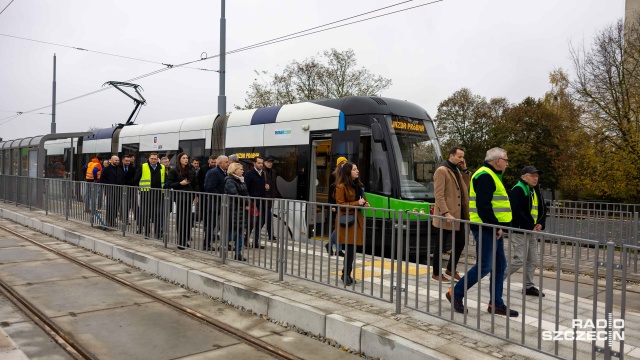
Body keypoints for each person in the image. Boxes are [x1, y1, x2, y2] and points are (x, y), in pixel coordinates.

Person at [447, 147, 518, 317]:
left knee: (499, 265)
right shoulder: (486, 175)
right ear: (497, 160)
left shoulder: (490, 174)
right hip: (487, 227)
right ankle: (455, 293)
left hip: (492, 228)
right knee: (485, 266)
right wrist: (495, 226)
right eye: (506, 160)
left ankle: (496, 304)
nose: (507, 163)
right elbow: (483, 206)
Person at [505, 166, 547, 297]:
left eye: (537, 176)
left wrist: (540, 223)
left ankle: (528, 286)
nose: (536, 178)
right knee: (520, 260)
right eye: (533, 176)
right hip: (520, 230)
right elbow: (517, 212)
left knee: (532, 260)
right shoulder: (518, 189)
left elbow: (542, 209)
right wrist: (530, 226)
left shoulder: (534, 190)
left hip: (531, 230)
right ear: (524, 177)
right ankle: (496, 279)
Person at [431, 146, 471, 283]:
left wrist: (465, 170)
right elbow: (439, 195)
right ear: (451, 156)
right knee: (440, 245)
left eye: (463, 157)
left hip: (458, 215)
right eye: (459, 157)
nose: (461, 159)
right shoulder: (442, 170)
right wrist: (446, 213)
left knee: (460, 242)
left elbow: (466, 187)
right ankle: (436, 273)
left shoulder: (456, 170)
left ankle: (450, 269)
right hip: (446, 215)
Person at [334, 162, 370, 285]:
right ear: (349, 172)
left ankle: (347, 273)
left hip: (357, 220)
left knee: (352, 249)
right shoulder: (341, 186)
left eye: (357, 169)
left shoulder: (358, 185)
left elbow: (362, 199)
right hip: (347, 221)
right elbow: (340, 204)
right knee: (350, 248)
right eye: (355, 169)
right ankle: (346, 274)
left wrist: (365, 203)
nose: (357, 171)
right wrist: (357, 203)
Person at [168, 152, 198, 250]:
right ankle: (180, 241)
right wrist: (180, 183)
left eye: (187, 158)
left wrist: (196, 194)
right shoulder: (174, 170)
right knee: (181, 219)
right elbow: (170, 184)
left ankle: (185, 239)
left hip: (189, 197)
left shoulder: (191, 169)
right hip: (180, 197)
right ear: (179, 159)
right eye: (184, 158)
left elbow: (195, 182)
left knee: (188, 219)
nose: (186, 160)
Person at [133, 152, 165, 239]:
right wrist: (139, 189)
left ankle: (157, 233)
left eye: (155, 159)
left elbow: (165, 180)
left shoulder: (162, 167)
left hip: (159, 195)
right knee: (146, 214)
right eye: (152, 158)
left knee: (158, 215)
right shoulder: (143, 166)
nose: (153, 160)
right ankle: (147, 232)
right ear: (149, 159)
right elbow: (136, 178)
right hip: (146, 194)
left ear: (157, 159)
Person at [204, 155, 230, 249]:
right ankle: (206, 243)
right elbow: (209, 187)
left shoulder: (226, 172)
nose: (228, 163)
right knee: (212, 224)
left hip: (222, 203)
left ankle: (225, 243)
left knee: (223, 224)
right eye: (226, 162)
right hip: (215, 202)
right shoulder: (214, 172)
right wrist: (222, 196)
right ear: (220, 163)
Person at [224, 162, 248, 261]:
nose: (243, 171)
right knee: (233, 233)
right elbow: (234, 195)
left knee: (240, 233)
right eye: (241, 169)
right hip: (233, 210)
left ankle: (238, 254)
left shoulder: (241, 180)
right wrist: (246, 202)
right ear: (234, 170)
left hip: (241, 210)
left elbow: (246, 193)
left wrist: (247, 202)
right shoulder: (230, 181)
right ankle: (223, 245)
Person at [326, 156, 348, 257]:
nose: (345, 164)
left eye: (346, 162)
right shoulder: (333, 175)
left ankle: (331, 245)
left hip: (342, 203)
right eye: (343, 163)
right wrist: (332, 205)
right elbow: (331, 192)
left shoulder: (346, 175)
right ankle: (337, 249)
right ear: (339, 164)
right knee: (339, 226)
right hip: (336, 203)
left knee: (340, 226)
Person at [244, 156, 266, 249]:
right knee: (252, 222)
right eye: (259, 163)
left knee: (261, 221)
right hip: (253, 201)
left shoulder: (263, 174)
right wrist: (247, 202)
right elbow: (246, 188)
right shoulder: (249, 174)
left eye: (262, 163)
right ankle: (246, 238)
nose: (261, 165)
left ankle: (255, 242)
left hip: (261, 201)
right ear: (254, 164)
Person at [101, 155, 124, 228]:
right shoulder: (106, 169)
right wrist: (107, 186)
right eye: (115, 160)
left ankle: (113, 220)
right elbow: (102, 179)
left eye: (118, 160)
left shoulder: (120, 169)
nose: (117, 161)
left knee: (116, 206)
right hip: (110, 190)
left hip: (119, 190)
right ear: (111, 161)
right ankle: (109, 221)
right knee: (110, 205)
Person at [263, 156, 280, 241]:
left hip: (271, 197)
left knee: (264, 218)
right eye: (268, 162)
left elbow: (274, 184)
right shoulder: (262, 171)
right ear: (264, 162)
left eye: (271, 162)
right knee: (268, 217)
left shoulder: (273, 172)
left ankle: (252, 234)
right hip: (264, 198)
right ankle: (271, 235)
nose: (270, 164)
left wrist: (276, 193)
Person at [121, 154, 137, 223]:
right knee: (120, 204)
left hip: (129, 189)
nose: (128, 162)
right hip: (120, 188)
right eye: (126, 161)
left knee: (127, 204)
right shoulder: (119, 168)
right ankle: (120, 216)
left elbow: (134, 178)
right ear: (122, 161)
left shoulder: (132, 168)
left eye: (128, 161)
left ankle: (125, 218)